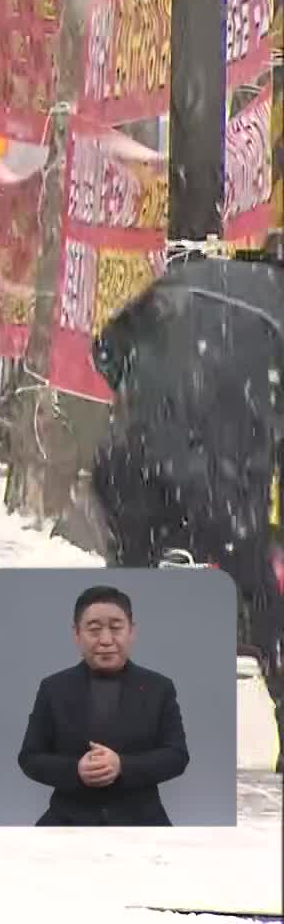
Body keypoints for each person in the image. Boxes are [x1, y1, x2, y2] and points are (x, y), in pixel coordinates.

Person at [90, 252, 284, 772]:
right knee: (259, 590)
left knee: (126, 588)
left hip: (132, 463)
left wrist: (144, 409)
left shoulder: (181, 280)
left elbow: (105, 348)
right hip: (221, 479)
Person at [17, 585, 189, 826]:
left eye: (116, 628)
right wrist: (76, 770)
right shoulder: (53, 688)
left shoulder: (159, 688)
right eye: (94, 630)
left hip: (143, 821)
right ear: (76, 634)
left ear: (132, 632)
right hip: (68, 819)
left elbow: (177, 756)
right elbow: (30, 757)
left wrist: (122, 766)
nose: (106, 640)